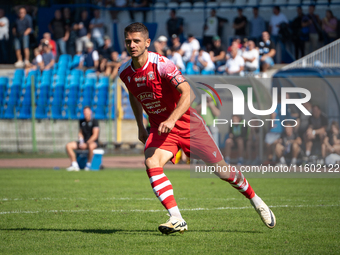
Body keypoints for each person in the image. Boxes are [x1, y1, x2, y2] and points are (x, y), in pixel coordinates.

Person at [118, 22, 276, 234]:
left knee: (222, 171)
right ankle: (176, 218)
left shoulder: (163, 65)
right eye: (128, 41)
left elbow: (189, 93)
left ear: (147, 43)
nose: (132, 45)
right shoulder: (124, 72)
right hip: (160, 129)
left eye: (137, 41)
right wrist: (140, 126)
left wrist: (172, 119)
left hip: (187, 126)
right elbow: (133, 95)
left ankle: (256, 200)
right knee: (151, 161)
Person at [66, 106, 99, 171]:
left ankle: (88, 164)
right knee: (69, 145)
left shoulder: (95, 121)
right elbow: (80, 133)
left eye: (87, 112)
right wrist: (81, 141)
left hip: (92, 142)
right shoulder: (81, 121)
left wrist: (86, 143)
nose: (85, 113)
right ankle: (74, 164)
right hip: (83, 142)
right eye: (84, 112)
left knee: (91, 146)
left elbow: (95, 135)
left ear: (90, 112)